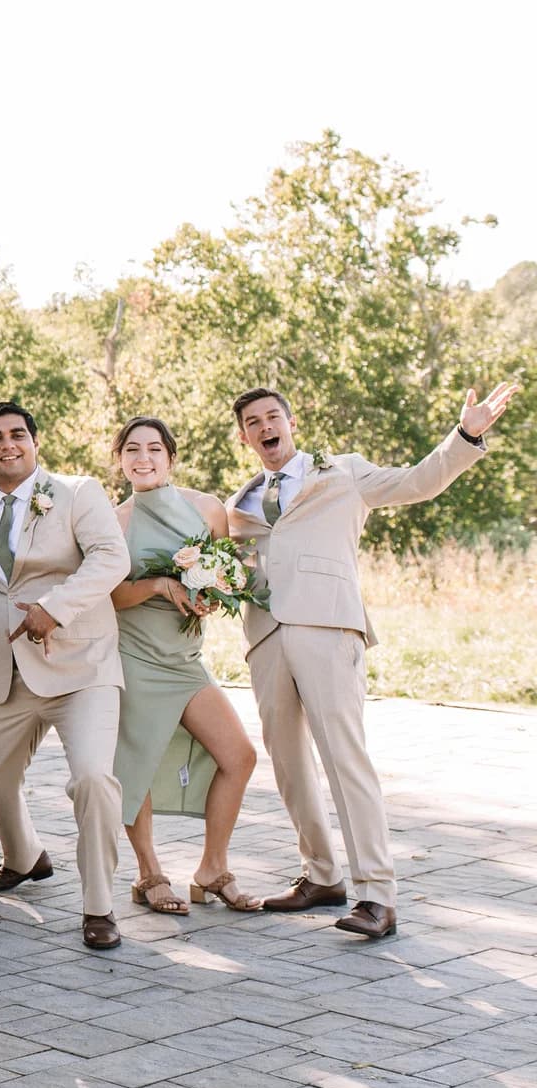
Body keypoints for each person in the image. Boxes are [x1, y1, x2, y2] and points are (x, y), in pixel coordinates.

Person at [228, 382, 518, 940]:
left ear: (291, 421)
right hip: (266, 639)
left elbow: (418, 482)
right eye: (254, 423)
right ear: (245, 438)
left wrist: (466, 435)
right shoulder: (240, 501)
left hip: (329, 630)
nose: (266, 427)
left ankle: (377, 895)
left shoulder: (343, 472)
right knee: (287, 764)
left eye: (273, 417)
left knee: (345, 760)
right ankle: (321, 875)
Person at [0, 400, 131, 950]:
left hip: (82, 666)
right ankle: (25, 856)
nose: (8, 444)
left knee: (92, 781)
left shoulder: (78, 493)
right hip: (7, 673)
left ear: (35, 442)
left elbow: (111, 558)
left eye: (17, 435)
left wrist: (54, 607)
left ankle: (99, 906)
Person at [108, 417, 259, 917]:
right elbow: (109, 595)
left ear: (171, 458)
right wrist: (157, 586)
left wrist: (211, 596)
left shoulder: (207, 508)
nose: (143, 457)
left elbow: (227, 572)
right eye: (133, 449)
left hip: (185, 660)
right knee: (136, 767)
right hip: (135, 659)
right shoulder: (116, 519)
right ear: (121, 458)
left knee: (239, 756)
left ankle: (212, 868)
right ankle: (148, 871)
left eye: (154, 449)